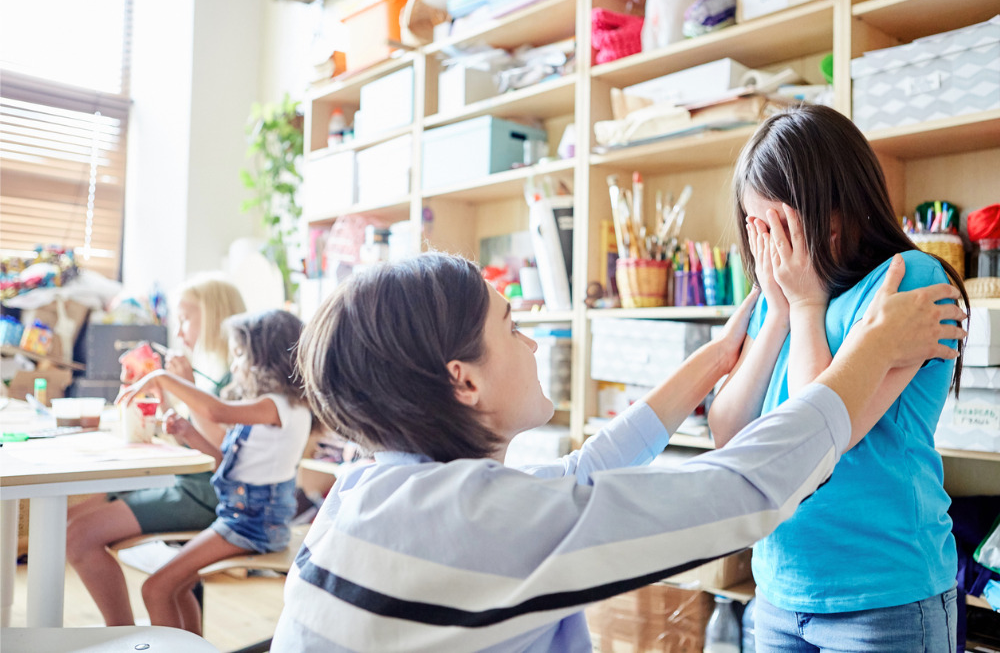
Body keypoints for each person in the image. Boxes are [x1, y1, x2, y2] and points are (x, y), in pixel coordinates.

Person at [270, 251, 964, 651]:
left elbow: (574, 479)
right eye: (512, 327)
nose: (534, 343)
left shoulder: (374, 494)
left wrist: (714, 361)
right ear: (465, 379)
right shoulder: (477, 526)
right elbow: (742, 489)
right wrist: (870, 351)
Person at [708, 104, 970, 652]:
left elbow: (818, 435)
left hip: (886, 597)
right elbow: (729, 432)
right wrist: (780, 311)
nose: (769, 248)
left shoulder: (909, 281)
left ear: (831, 207)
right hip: (780, 589)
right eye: (757, 229)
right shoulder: (778, 304)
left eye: (778, 225)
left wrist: (804, 303)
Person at [115, 309, 312, 634]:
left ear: (266, 358)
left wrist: (162, 378)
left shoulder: (278, 405)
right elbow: (225, 462)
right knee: (174, 587)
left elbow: (216, 411)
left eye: (239, 355)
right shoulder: (274, 406)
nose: (234, 366)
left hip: (251, 524)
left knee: (156, 588)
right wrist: (188, 433)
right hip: (243, 517)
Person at [66, 273, 245, 626]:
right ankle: (148, 638)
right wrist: (163, 403)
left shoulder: (234, 378)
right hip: (188, 484)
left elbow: (223, 451)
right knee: (76, 523)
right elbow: (189, 436)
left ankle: (121, 635)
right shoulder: (211, 370)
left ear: (213, 318)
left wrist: (188, 389)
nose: (178, 332)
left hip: (208, 494)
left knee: (78, 537)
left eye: (186, 319)